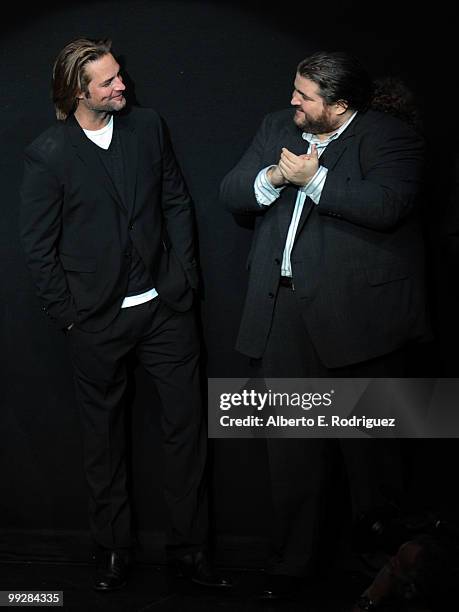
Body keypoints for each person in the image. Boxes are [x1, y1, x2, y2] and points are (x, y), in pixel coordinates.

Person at [20, 37, 230, 592]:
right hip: (95, 319)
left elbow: (176, 201)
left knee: (187, 430)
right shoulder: (50, 153)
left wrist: (181, 276)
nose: (123, 86)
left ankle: (191, 549)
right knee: (103, 440)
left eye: (120, 75)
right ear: (77, 92)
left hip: (165, 310)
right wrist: (70, 316)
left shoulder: (148, 126)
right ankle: (113, 548)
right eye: (109, 81)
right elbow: (38, 247)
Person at [220, 51, 429, 599]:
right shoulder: (276, 127)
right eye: (294, 89)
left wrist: (317, 180)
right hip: (282, 312)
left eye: (305, 95)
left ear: (339, 105)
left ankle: (383, 575)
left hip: (363, 319)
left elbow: (389, 203)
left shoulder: (388, 136)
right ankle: (291, 567)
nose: (293, 101)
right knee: (290, 452)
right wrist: (271, 176)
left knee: (372, 459)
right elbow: (232, 190)